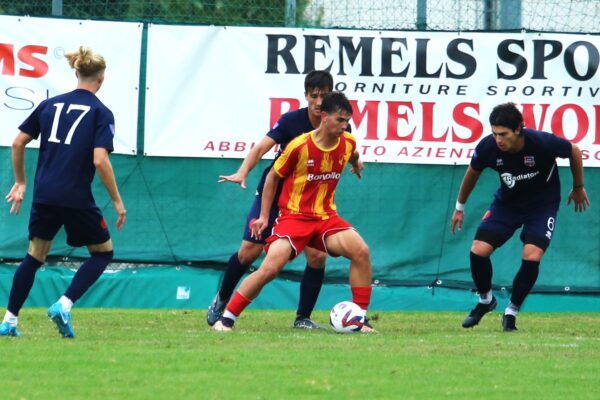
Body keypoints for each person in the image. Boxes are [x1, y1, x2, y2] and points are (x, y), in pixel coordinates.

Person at [213, 91, 374, 333]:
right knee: (269, 269)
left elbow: (353, 154)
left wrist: (356, 165)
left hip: (326, 218)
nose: (345, 125)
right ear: (324, 117)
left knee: (361, 251)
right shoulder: (299, 146)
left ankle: (359, 320)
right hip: (294, 218)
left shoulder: (348, 141)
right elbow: (272, 178)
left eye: (347, 120)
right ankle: (226, 319)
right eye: (340, 120)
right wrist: (265, 217)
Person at [0, 47, 126, 338]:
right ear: (102, 78)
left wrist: (20, 182)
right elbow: (100, 159)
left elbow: (18, 143)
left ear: (77, 73)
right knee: (103, 253)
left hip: (44, 194)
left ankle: (9, 321)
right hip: (75, 196)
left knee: (33, 257)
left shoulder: (50, 105)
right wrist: (118, 202)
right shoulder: (100, 112)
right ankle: (64, 304)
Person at [451, 102, 589, 332]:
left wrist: (578, 186)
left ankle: (511, 312)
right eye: (495, 134)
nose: (498, 140)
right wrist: (459, 207)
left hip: (542, 207)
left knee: (531, 254)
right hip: (507, 206)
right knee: (478, 250)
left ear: (518, 129)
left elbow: (574, 150)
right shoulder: (488, 147)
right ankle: (486, 300)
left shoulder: (541, 143)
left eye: (503, 134)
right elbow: (472, 173)